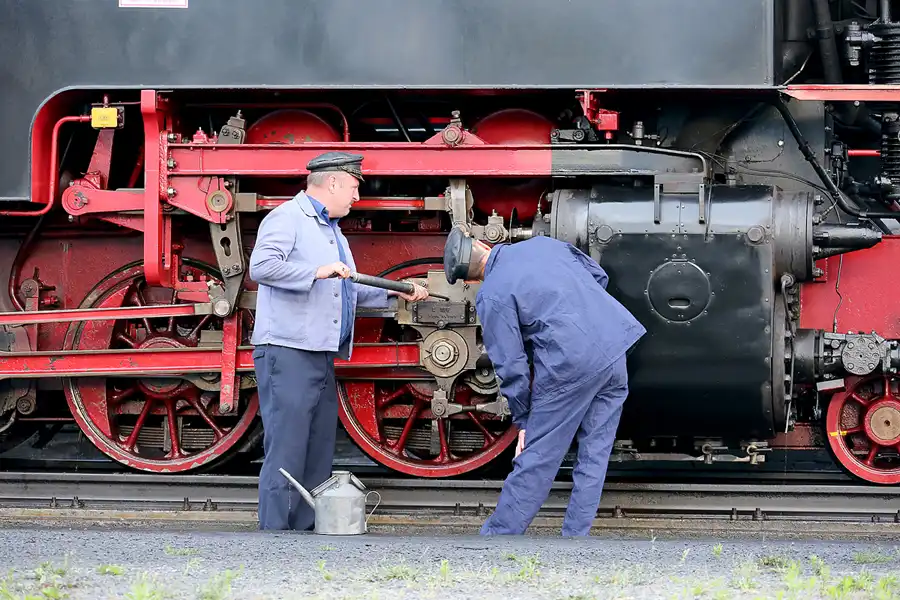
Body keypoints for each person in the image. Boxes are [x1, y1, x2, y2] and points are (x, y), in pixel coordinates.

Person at [249, 151, 428, 531]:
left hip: (319, 352)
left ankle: (306, 528)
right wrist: (316, 271)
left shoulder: (332, 230)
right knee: (287, 448)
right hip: (288, 350)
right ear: (332, 182)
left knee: (316, 449)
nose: (356, 196)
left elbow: (344, 289)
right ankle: (274, 535)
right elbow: (261, 267)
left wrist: (397, 293)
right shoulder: (287, 217)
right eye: (353, 186)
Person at [443, 227, 646, 536]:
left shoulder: (492, 294)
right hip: (614, 349)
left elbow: (511, 364)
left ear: (470, 280)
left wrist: (524, 420)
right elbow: (598, 276)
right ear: (484, 245)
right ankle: (575, 537)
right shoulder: (543, 245)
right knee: (594, 452)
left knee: (537, 457)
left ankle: (498, 539)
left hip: (570, 362)